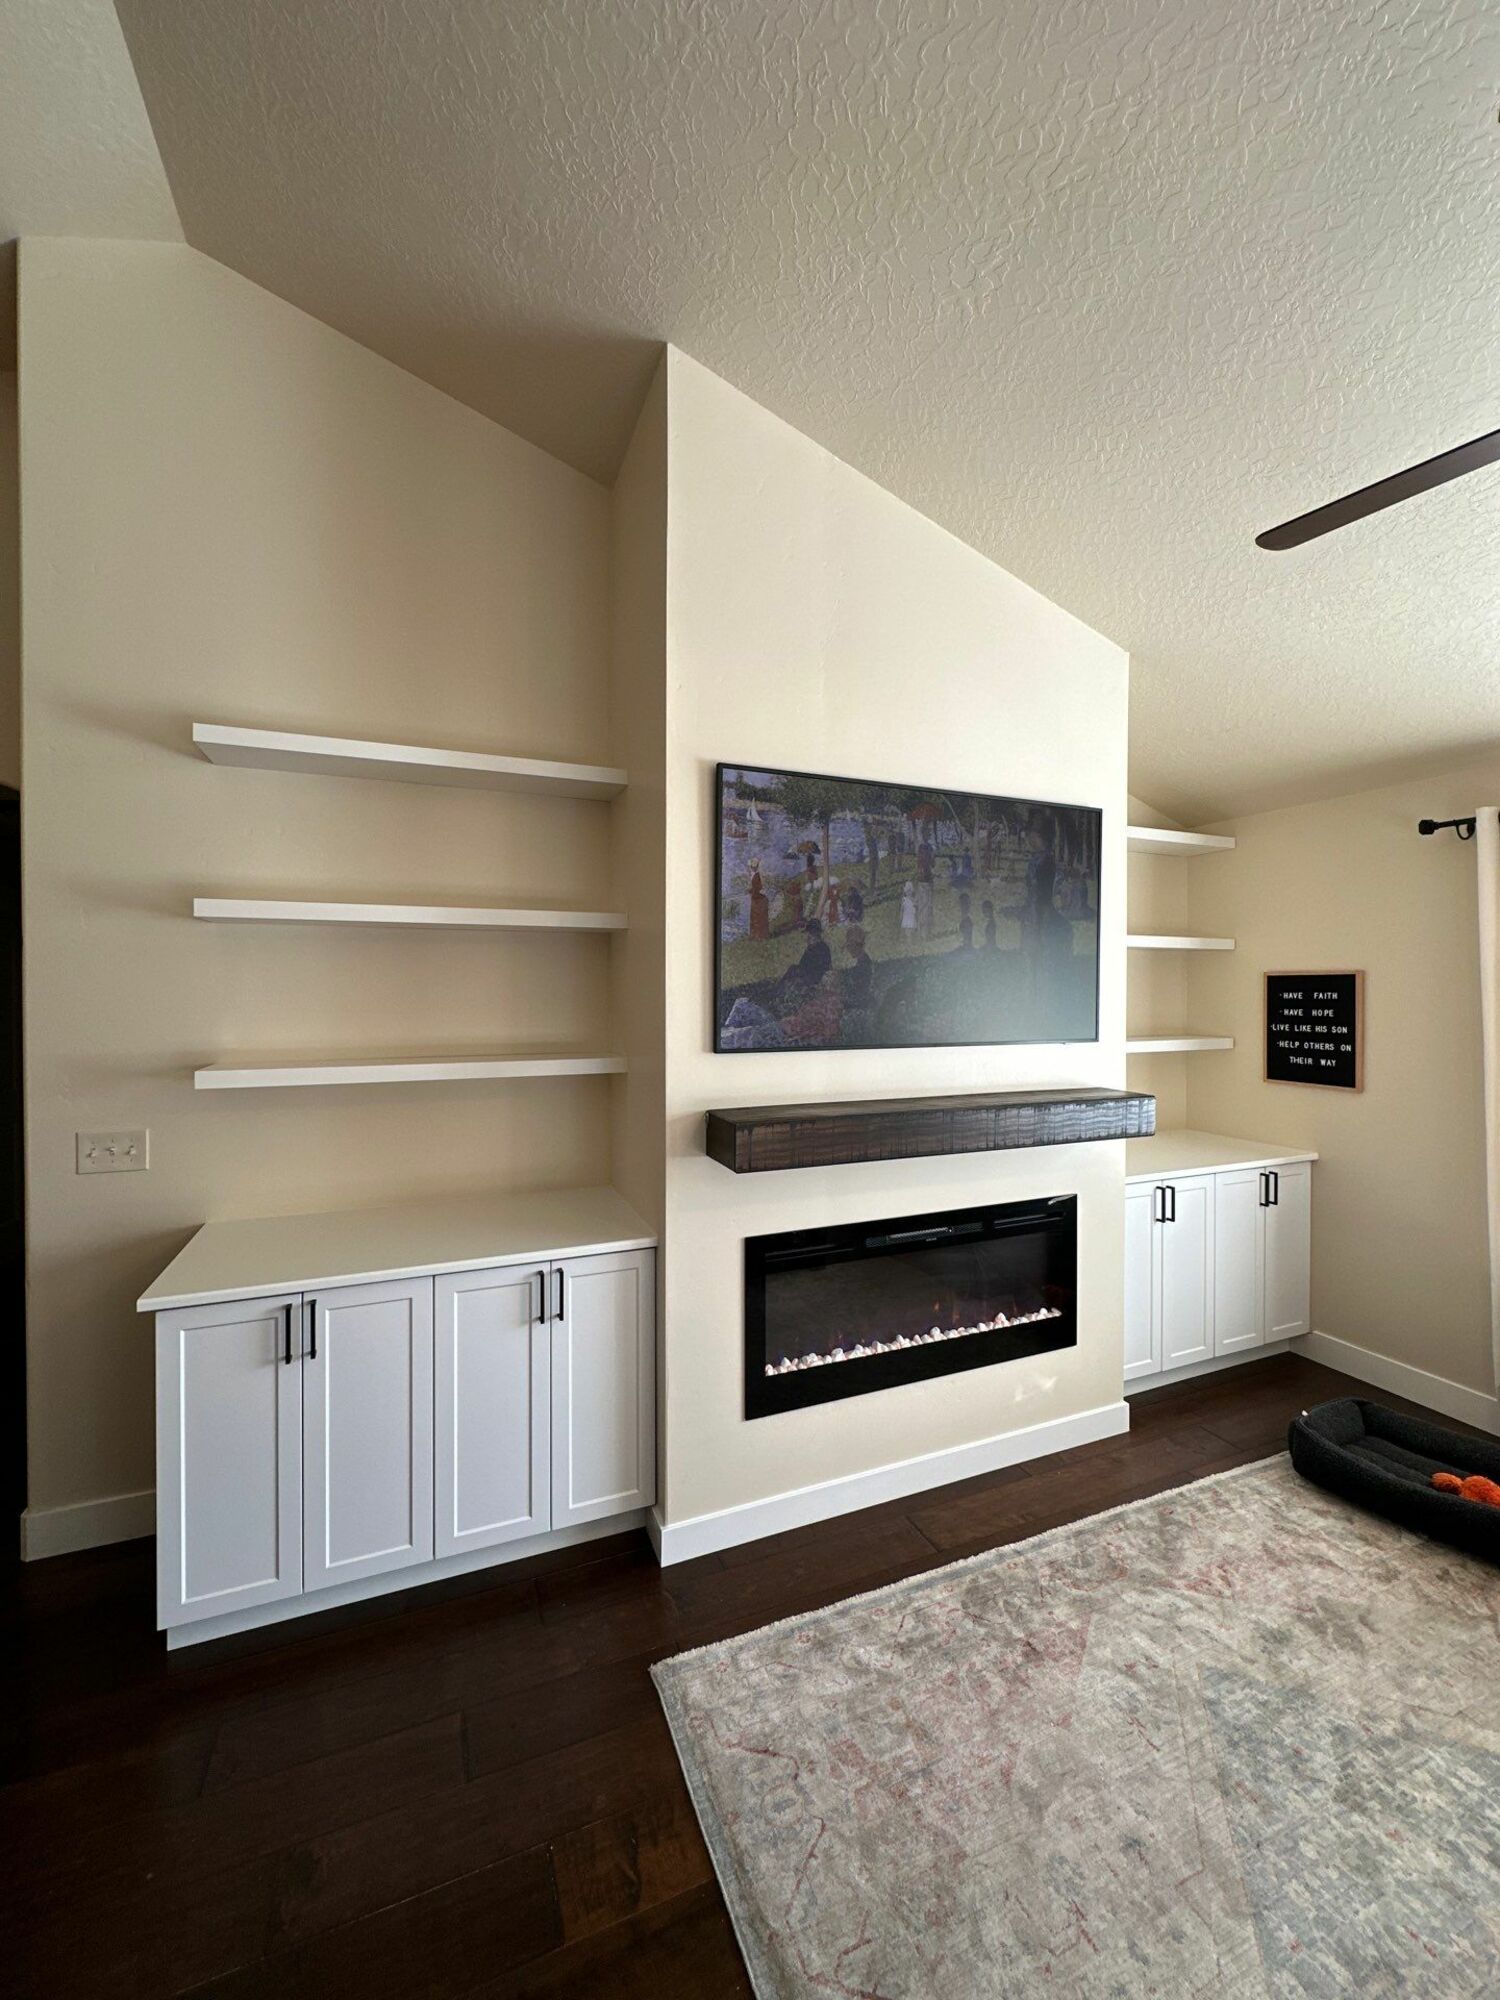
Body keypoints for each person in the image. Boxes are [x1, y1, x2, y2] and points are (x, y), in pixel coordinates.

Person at [775, 918, 832, 1009]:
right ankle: (778, 992)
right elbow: (802, 964)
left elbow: (819, 969)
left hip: (814, 979)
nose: (808, 937)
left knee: (793, 972)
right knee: (793, 969)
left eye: (810, 934)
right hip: (806, 976)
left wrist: (799, 974)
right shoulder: (812, 948)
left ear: (815, 934)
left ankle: (778, 994)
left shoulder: (822, 948)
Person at [747, 858, 770, 942]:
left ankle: (759, 936)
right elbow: (755, 887)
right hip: (755, 898)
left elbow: (759, 887)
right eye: (751, 866)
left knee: (758, 918)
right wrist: (750, 890)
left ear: (755, 867)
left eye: (753, 867)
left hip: (758, 899)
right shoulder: (754, 875)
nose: (751, 868)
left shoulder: (757, 875)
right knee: (754, 918)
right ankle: (754, 935)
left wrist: (752, 891)